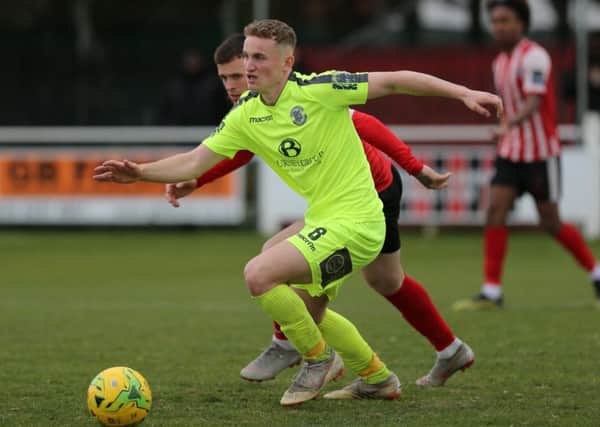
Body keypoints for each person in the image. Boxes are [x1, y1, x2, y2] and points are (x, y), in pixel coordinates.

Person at [94, 19, 502, 406]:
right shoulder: (246, 115)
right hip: (324, 219)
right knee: (298, 297)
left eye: (259, 58)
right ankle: (375, 376)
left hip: (359, 222)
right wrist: (141, 172)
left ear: (287, 62)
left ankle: (317, 359)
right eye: (247, 57)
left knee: (260, 274)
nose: (249, 67)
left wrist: (462, 94)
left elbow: (395, 79)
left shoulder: (321, 90)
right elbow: (195, 160)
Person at [167, 33, 474, 388]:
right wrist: (199, 180)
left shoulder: (309, 96)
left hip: (372, 191)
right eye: (224, 78)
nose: (232, 85)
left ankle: (333, 362)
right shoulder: (254, 108)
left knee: (303, 286)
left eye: (238, 75)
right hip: (341, 202)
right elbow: (244, 149)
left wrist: (416, 167)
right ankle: (447, 351)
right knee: (384, 280)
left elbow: (366, 124)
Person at [453, 0, 600, 311]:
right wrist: (502, 128)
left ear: (521, 23)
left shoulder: (534, 56)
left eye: (505, 20)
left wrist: (507, 125)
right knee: (495, 211)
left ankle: (597, 272)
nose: (499, 27)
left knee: (551, 222)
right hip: (511, 152)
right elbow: (508, 104)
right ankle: (492, 291)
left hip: (540, 153)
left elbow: (534, 102)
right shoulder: (499, 63)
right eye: (495, 22)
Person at [158, 49, 230, 125]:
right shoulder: (174, 86)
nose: (192, 63)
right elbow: (165, 112)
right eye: (189, 60)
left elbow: (222, 109)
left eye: (195, 59)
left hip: (209, 129)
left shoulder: (213, 85)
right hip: (177, 131)